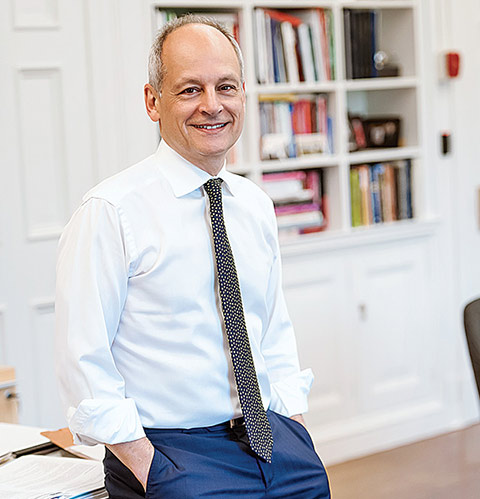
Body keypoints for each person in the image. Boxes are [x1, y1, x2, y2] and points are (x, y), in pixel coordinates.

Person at [56, 14, 330, 498]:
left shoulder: (255, 204)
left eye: (226, 86)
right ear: (152, 101)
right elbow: (85, 363)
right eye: (189, 90)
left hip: (276, 443)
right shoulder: (111, 211)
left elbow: (273, 332)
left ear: (243, 94)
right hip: (175, 459)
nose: (212, 106)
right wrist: (151, 469)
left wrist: (294, 427)